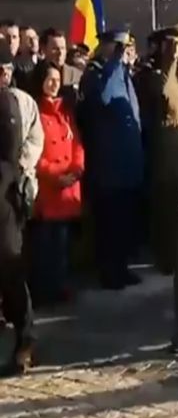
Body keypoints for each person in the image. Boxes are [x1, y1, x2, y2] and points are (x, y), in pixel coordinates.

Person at [78, 30, 145, 290]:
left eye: (125, 47)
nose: (123, 52)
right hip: (108, 164)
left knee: (125, 218)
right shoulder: (95, 74)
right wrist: (114, 63)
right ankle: (109, 271)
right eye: (118, 47)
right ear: (105, 46)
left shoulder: (122, 73)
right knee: (109, 221)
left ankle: (122, 267)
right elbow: (103, 99)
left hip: (127, 161)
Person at [139, 25, 178, 274]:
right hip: (164, 150)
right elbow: (161, 94)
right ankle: (166, 257)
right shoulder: (154, 74)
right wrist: (169, 62)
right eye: (174, 45)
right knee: (166, 204)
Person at [30, 60, 85, 305]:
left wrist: (77, 168)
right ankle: (45, 291)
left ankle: (61, 287)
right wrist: (56, 175)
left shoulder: (65, 111)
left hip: (68, 187)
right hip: (49, 189)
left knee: (62, 245)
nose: (54, 84)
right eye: (49, 79)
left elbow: (76, 144)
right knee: (45, 246)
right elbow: (34, 156)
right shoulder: (36, 113)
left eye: (57, 79)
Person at [0, 55, 35, 375]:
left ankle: (25, 340)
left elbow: (9, 160)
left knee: (10, 270)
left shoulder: (7, 103)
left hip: (4, 204)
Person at [38, 28, 83, 108]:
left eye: (63, 48)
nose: (60, 53)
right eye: (55, 49)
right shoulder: (35, 73)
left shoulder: (76, 75)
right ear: (44, 49)